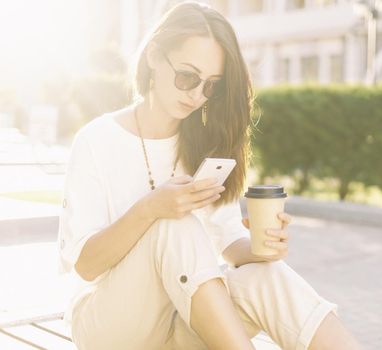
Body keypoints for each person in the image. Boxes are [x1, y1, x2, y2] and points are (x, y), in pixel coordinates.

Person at [57, 2, 360, 349]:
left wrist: (262, 249)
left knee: (266, 277)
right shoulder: (97, 139)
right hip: (109, 328)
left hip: (181, 323)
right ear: (155, 56)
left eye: (210, 85)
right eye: (187, 76)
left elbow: (228, 243)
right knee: (174, 223)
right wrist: (150, 209)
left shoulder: (203, 145)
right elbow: (86, 265)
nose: (196, 95)